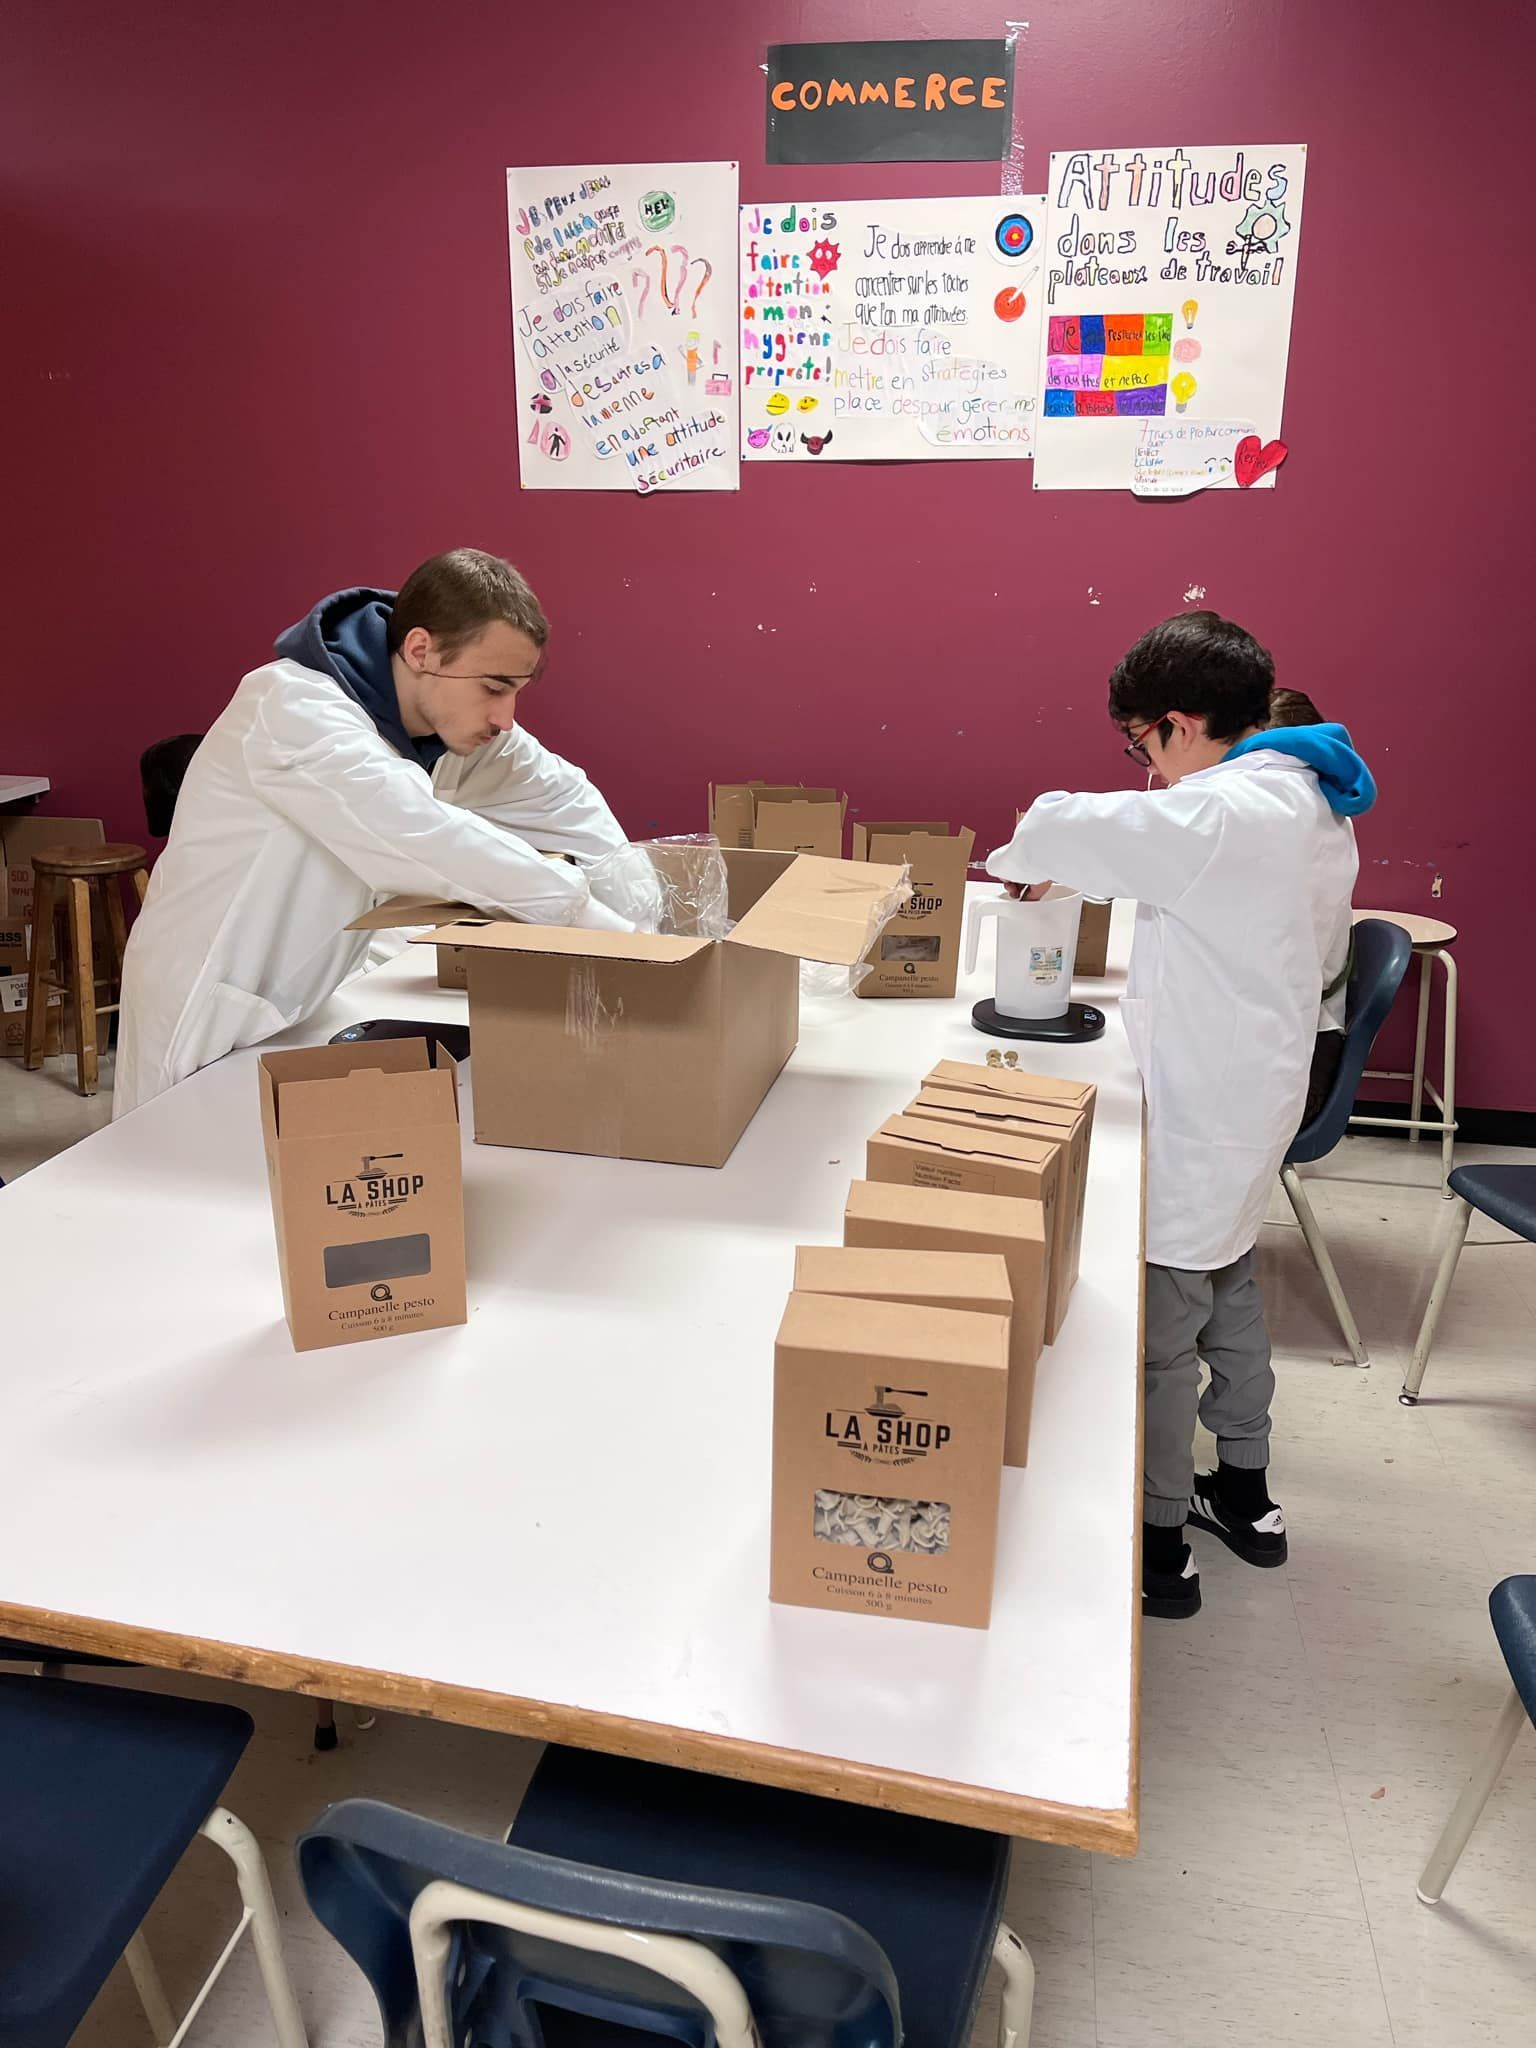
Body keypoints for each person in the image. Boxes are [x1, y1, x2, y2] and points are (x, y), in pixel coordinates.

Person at [987, 612, 1376, 1620]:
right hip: (1256, 1094)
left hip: (1208, 1107)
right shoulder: (1306, 800)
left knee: (1165, 1334)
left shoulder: (1223, 812)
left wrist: (1033, 858)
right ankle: (1242, 1491)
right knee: (1232, 1287)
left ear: (1180, 721)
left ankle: (1160, 1543)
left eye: (1140, 742)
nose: (1144, 765)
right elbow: (1174, 865)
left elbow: (1062, 820)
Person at [116, 549, 658, 1117]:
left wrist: (646, 918)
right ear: (421, 650)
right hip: (205, 1008)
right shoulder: (291, 712)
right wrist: (594, 925)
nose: (506, 715)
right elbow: (424, 836)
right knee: (174, 1179)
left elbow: (564, 797)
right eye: (494, 687)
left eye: (517, 689)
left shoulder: (445, 726)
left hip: (299, 1006)